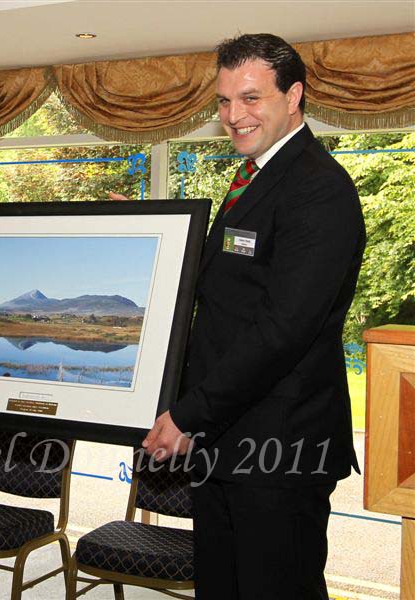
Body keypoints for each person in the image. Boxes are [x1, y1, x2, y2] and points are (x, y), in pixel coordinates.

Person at [143, 34, 365, 599]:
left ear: (293, 96)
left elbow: (282, 329)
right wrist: (154, 239)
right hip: (228, 444)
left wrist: (188, 413)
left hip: (281, 450)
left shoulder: (318, 189)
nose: (233, 116)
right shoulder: (255, 178)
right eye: (223, 101)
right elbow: (227, 291)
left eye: (250, 99)